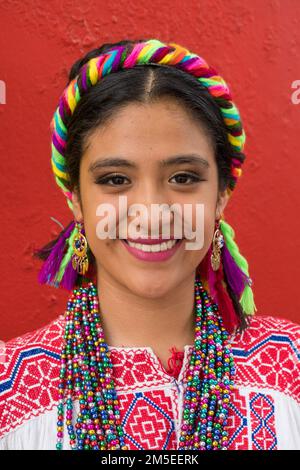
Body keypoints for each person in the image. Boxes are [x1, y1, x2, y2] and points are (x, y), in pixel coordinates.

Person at [0, 38, 299, 450]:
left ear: (222, 195)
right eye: (115, 180)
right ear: (76, 199)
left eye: (183, 177)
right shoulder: (9, 391)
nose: (152, 211)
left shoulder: (291, 368)